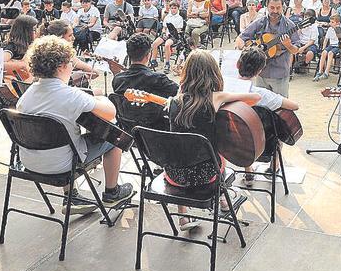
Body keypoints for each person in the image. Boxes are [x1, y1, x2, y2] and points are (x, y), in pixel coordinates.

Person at [16, 35, 134, 213]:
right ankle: (112, 192)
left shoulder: (28, 94)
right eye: (71, 63)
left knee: (62, 139)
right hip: (62, 165)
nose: (72, 67)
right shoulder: (70, 95)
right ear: (61, 67)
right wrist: (101, 98)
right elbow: (110, 113)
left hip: (30, 161)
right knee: (115, 138)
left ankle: (71, 196)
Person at [165, 50, 259, 231]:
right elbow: (256, 98)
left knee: (182, 153)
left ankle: (183, 217)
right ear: (213, 73)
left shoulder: (174, 101)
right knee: (218, 152)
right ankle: (223, 199)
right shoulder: (215, 97)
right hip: (206, 175)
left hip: (174, 175)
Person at [235, 49, 300, 187]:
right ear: (259, 71)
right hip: (263, 146)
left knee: (241, 126)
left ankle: (248, 172)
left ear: (237, 65)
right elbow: (294, 106)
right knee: (277, 125)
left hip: (231, 144)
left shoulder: (224, 88)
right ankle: (274, 166)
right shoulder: (262, 94)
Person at [236, 0, 302, 97]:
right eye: (272, 7)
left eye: (278, 8)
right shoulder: (260, 22)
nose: (275, 11)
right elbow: (240, 38)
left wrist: (289, 45)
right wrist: (248, 52)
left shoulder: (289, 25)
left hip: (280, 73)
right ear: (266, 6)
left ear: (283, 7)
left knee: (281, 104)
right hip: (261, 73)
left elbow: (296, 50)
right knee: (261, 103)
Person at [111, 33, 179, 130]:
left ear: (128, 54)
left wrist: (116, 73)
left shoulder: (117, 79)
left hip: (128, 129)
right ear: (149, 55)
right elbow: (181, 94)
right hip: (155, 131)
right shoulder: (158, 79)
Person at [2, 15, 39, 80]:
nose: (36, 32)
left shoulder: (32, 45)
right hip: (19, 81)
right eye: (34, 30)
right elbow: (1, 63)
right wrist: (21, 65)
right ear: (25, 32)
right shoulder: (12, 46)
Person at [314, 13, 341, 81]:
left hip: (338, 46)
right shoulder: (330, 29)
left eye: (332, 22)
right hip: (331, 45)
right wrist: (323, 48)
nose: (330, 23)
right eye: (330, 22)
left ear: (338, 23)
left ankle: (326, 72)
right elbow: (326, 39)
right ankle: (320, 71)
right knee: (324, 52)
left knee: (330, 53)